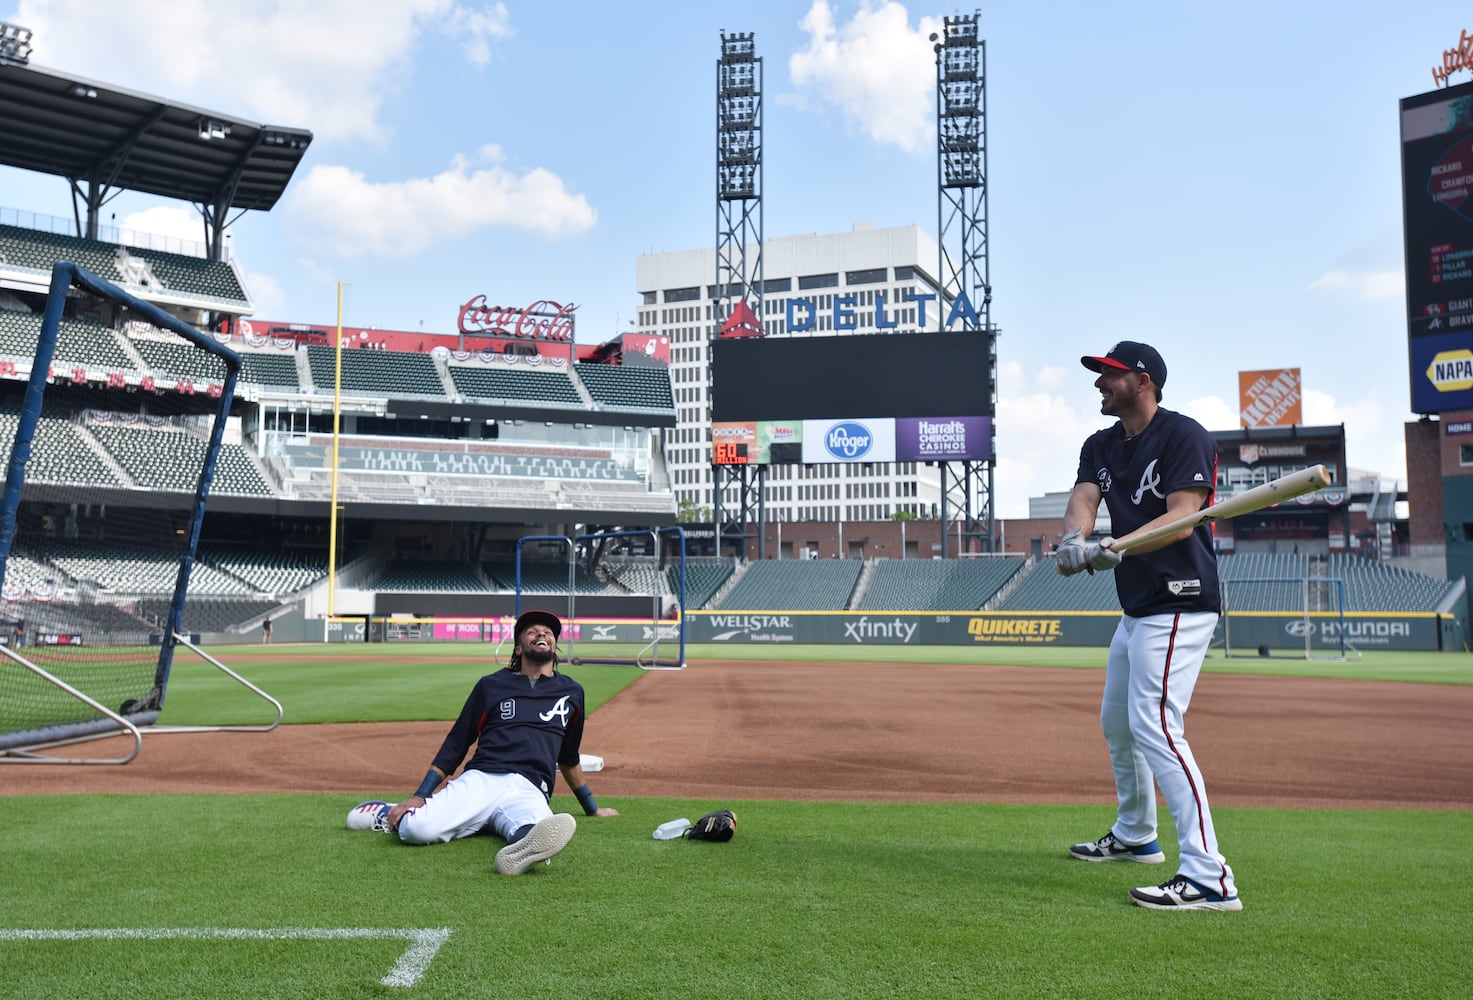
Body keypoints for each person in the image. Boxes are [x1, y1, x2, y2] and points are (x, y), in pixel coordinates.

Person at [1055, 341, 1240, 912]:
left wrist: (1118, 546)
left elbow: (1184, 519)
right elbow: (1085, 497)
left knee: (1157, 725)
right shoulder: (1101, 444)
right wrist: (1074, 539)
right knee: (1118, 721)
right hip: (1137, 606)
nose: (1098, 384)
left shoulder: (1184, 434)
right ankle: (1137, 834)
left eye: (1108, 375)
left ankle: (1210, 876)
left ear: (1142, 380)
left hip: (1180, 600)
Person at [347, 609, 618, 875]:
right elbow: (457, 742)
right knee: (416, 830)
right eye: (532, 631)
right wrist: (420, 795)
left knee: (541, 830)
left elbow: (568, 757)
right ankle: (387, 813)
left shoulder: (572, 693)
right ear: (518, 649)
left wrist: (591, 809)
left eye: (548, 632)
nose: (541, 634)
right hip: (483, 777)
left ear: (555, 645)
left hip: (530, 786)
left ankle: (519, 847)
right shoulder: (491, 686)